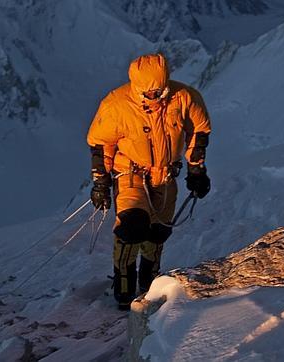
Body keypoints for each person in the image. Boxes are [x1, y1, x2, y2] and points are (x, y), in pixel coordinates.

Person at [86, 53, 211, 310]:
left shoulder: (184, 98)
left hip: (165, 175)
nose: (156, 96)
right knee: (132, 226)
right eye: (150, 92)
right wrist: (101, 181)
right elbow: (101, 143)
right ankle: (123, 287)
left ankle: (149, 284)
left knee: (158, 231)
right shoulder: (117, 105)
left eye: (161, 90)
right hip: (130, 173)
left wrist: (196, 170)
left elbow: (198, 130)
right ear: (138, 88)